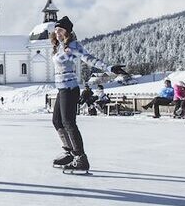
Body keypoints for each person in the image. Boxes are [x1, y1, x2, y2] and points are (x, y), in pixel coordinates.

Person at [49, 16, 127, 173]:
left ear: (68, 31)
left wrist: (109, 68)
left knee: (68, 123)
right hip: (61, 89)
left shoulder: (73, 46)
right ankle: (70, 152)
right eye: (56, 30)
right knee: (57, 121)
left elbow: (89, 59)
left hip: (70, 89)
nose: (57, 33)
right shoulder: (59, 47)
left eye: (61, 30)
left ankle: (80, 158)